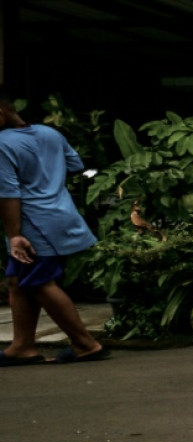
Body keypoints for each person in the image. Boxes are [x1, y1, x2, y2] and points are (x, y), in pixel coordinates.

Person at [0, 89, 108, 366]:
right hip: (59, 213)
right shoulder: (50, 133)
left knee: (38, 281)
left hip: (33, 223)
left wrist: (14, 236)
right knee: (17, 280)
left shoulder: (1, 144)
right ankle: (22, 347)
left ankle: (86, 344)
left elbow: (8, 192)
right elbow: (75, 164)